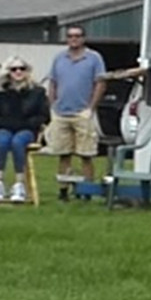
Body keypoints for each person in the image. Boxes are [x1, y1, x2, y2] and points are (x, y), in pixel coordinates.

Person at [44, 23, 108, 189]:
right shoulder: (59, 58)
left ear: (83, 38)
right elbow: (53, 82)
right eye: (70, 36)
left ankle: (87, 190)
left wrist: (91, 108)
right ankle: (63, 190)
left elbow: (100, 83)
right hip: (61, 113)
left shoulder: (94, 58)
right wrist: (53, 105)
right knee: (63, 155)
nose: (73, 39)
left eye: (77, 36)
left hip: (83, 113)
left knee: (86, 154)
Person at [0, 57, 50, 203]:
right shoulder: (0, 92)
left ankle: (19, 184)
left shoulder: (37, 92)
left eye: (22, 68)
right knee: (3, 140)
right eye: (14, 69)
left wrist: (30, 123)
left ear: (27, 71)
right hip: (3, 128)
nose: (18, 72)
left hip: (26, 130)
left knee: (18, 142)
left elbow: (44, 115)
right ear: (8, 72)